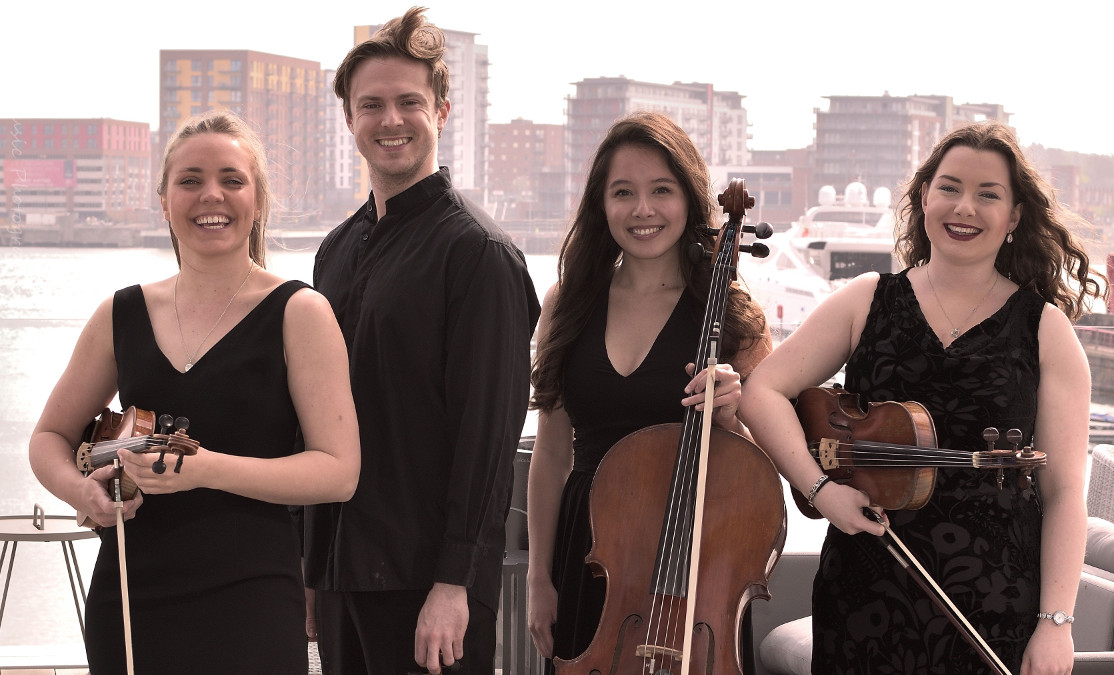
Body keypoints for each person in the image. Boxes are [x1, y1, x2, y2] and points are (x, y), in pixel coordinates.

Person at [740, 121, 1102, 675]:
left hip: (994, 600)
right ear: (925, 197)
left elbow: (1065, 493)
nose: (964, 207)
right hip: (865, 588)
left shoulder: (1045, 330)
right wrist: (820, 490)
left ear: (1014, 217)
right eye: (949, 187)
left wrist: (1056, 624)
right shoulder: (866, 300)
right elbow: (761, 392)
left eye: (988, 195)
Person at [27, 110, 361, 674]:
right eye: (190, 180)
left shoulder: (301, 312)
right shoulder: (119, 313)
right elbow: (49, 438)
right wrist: (82, 492)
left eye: (232, 180)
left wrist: (205, 470)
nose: (212, 195)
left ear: (258, 200)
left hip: (253, 601)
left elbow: (338, 472)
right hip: (128, 598)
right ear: (163, 201)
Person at [303, 7, 540, 674]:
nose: (391, 120)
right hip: (342, 573)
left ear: (441, 111)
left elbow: (487, 439)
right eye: (371, 105)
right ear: (349, 118)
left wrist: (455, 582)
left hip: (429, 587)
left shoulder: (478, 254)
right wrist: (311, 564)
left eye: (409, 102)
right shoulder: (335, 252)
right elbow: (316, 418)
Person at [526, 111, 774, 673]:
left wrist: (732, 419)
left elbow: (766, 472)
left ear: (688, 199)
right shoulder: (567, 303)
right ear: (601, 204)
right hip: (590, 555)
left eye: (661, 190)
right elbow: (552, 452)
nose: (643, 209)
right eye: (623, 192)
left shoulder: (733, 315)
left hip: (697, 570)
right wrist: (539, 578)